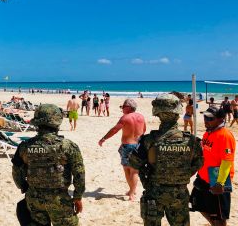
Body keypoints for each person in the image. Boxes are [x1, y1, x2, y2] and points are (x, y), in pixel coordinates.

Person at [129, 94, 203, 225]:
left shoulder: (148, 140)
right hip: (179, 194)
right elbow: (199, 162)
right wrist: (184, 174)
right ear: (178, 112)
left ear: (157, 113)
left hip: (154, 193)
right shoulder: (191, 141)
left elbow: (134, 162)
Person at [12, 104, 85, 225]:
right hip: (59, 200)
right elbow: (79, 174)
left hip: (34, 199)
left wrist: (24, 187)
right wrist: (78, 197)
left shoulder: (25, 146)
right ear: (57, 122)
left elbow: (16, 171)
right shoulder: (68, 146)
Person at [190, 106, 235, 226]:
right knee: (198, 204)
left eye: (210, 118)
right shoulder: (208, 133)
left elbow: (227, 161)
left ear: (220, 120)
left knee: (219, 216)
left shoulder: (225, 136)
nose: (206, 121)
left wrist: (220, 183)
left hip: (217, 179)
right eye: (205, 117)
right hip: (203, 177)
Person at [98, 99, 146, 200]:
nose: (122, 109)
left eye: (123, 107)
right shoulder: (141, 117)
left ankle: (132, 193)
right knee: (135, 170)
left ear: (128, 107)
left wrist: (103, 139)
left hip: (128, 146)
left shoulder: (125, 118)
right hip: (139, 145)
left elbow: (114, 130)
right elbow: (144, 130)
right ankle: (132, 190)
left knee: (127, 169)